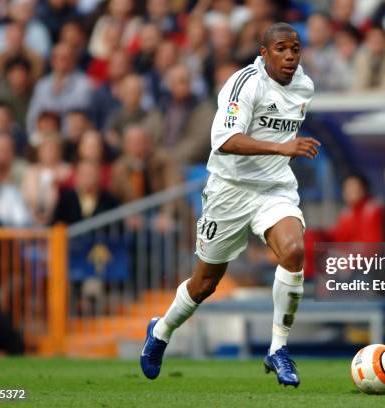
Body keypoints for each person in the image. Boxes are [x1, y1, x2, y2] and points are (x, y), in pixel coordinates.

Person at [140, 22, 319, 388]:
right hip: (230, 191)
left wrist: (282, 153)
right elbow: (224, 140)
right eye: (281, 49)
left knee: (295, 251)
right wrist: (283, 147)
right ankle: (162, 330)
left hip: (274, 187)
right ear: (264, 52)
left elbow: (277, 132)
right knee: (205, 284)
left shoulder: (305, 86)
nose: (289, 56)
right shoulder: (244, 83)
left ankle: (278, 350)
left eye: (295, 49)